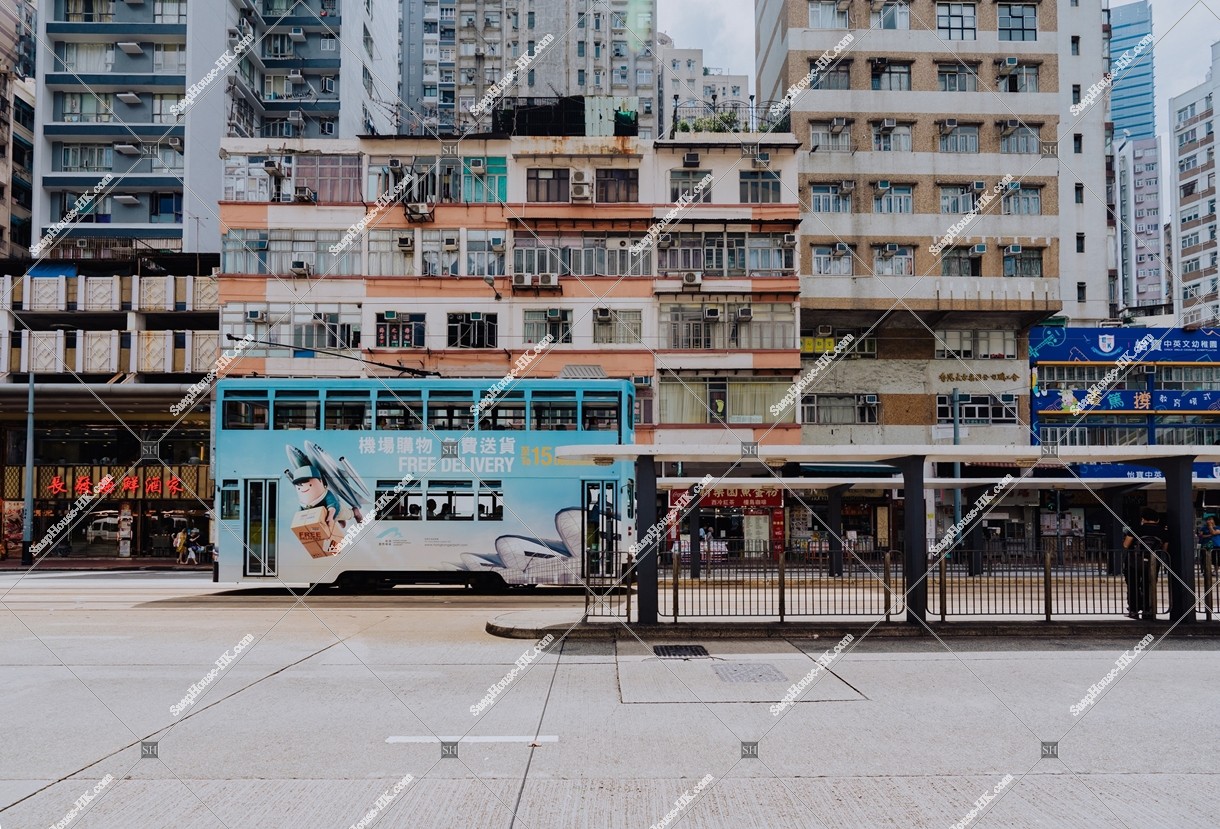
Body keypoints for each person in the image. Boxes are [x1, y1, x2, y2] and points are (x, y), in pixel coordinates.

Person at [1122, 507, 1167, 620]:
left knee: (1133, 585)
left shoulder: (1136, 529)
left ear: (1143, 519)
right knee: (1149, 585)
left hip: (1134, 562)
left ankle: (1133, 610)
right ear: (1157, 520)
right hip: (1153, 563)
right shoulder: (1163, 531)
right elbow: (1164, 549)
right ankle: (1148, 610)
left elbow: (1126, 545)